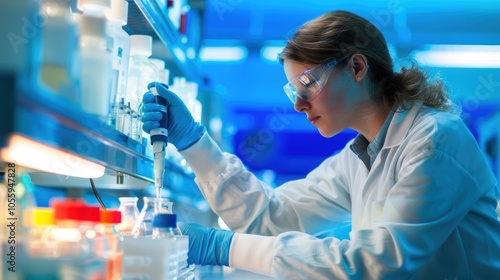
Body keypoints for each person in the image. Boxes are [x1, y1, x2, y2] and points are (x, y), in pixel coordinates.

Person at [141, 10, 500, 279]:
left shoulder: (434, 141)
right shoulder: (358, 157)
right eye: (293, 92)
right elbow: (270, 218)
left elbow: (377, 263)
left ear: (357, 67)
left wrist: (222, 247)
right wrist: (193, 144)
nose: (298, 105)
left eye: (308, 84)